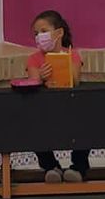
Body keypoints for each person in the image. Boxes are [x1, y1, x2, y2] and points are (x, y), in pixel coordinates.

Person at [23, 10, 89, 183]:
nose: (39, 37)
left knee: (87, 121)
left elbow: (75, 81)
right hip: (44, 111)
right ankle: (51, 166)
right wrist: (41, 78)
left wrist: (63, 63)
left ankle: (79, 167)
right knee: (32, 126)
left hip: (71, 109)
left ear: (59, 33)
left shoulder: (72, 54)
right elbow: (32, 82)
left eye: (44, 31)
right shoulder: (33, 59)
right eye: (36, 34)